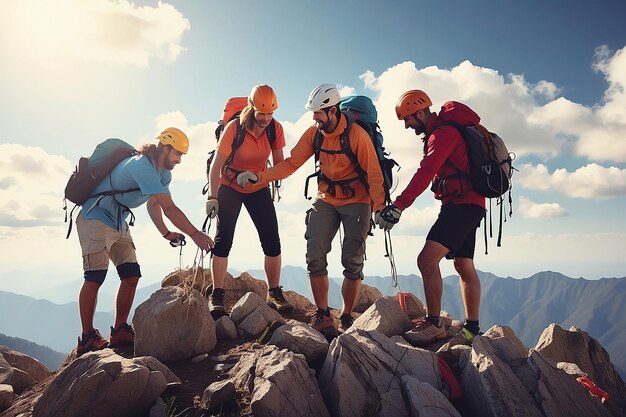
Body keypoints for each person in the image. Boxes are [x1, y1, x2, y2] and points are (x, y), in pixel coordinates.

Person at [237, 84, 385, 336]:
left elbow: (373, 173)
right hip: (325, 198)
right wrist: (259, 177)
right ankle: (324, 315)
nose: (314, 117)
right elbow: (291, 164)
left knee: (352, 261)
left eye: (318, 113)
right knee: (314, 255)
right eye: (313, 112)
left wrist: (379, 208)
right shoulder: (314, 134)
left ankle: (346, 317)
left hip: (358, 201)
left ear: (333, 110)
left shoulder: (357, 135)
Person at [75, 127, 214, 356]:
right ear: (166, 148)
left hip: (118, 220)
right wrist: (194, 233)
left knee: (131, 275)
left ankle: (120, 330)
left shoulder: (163, 174)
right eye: (177, 154)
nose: (179, 160)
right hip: (95, 217)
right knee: (95, 276)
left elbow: (155, 204)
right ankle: (87, 337)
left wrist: (166, 233)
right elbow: (169, 208)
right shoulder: (141, 165)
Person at [376, 90, 486, 346]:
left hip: (460, 206)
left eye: (408, 118)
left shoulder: (442, 134)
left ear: (421, 111)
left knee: (426, 260)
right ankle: (471, 330)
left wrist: (399, 206)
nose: (407, 125)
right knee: (463, 264)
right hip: (470, 204)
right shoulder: (446, 132)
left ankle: (434, 324)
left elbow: (426, 172)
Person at [206, 85, 293, 317]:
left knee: (271, 240)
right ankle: (217, 294)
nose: (266, 119)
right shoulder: (235, 128)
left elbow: (281, 166)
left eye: (270, 114)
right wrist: (212, 197)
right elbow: (216, 166)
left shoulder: (275, 129)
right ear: (252, 108)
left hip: (258, 186)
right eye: (261, 113)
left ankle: (273, 292)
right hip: (230, 186)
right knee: (223, 239)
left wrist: (261, 177)